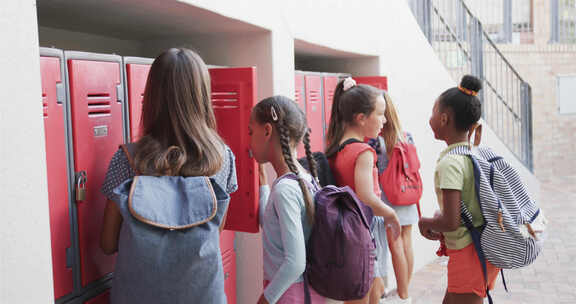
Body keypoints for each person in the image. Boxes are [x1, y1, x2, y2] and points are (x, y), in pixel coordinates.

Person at [99, 48, 238, 303]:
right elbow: (215, 230)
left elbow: (107, 244)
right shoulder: (223, 159)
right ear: (202, 96)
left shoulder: (127, 160)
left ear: (152, 97)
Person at [418, 75, 499, 304]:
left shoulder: (450, 163)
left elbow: (451, 221)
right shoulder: (470, 154)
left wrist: (426, 222)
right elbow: (464, 212)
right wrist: (440, 220)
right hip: (476, 250)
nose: (430, 117)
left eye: (433, 111)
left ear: (444, 118)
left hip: (468, 255)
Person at [325, 77, 401, 304]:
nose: (385, 120)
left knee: (371, 291)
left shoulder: (336, 147)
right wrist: (391, 214)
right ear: (360, 118)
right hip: (361, 232)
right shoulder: (363, 151)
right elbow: (365, 196)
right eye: (380, 114)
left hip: (348, 232)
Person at [250, 95, 325, 304]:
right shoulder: (305, 178)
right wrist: (263, 182)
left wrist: (266, 298)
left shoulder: (286, 190)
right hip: (308, 291)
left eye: (250, 131)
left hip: (291, 295)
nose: (248, 140)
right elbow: (274, 230)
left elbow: (295, 262)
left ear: (266, 131)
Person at [373, 91, 417, 304]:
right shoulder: (406, 135)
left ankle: (403, 295)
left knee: (395, 244)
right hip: (408, 192)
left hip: (389, 197)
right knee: (407, 242)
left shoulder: (378, 141)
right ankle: (405, 291)